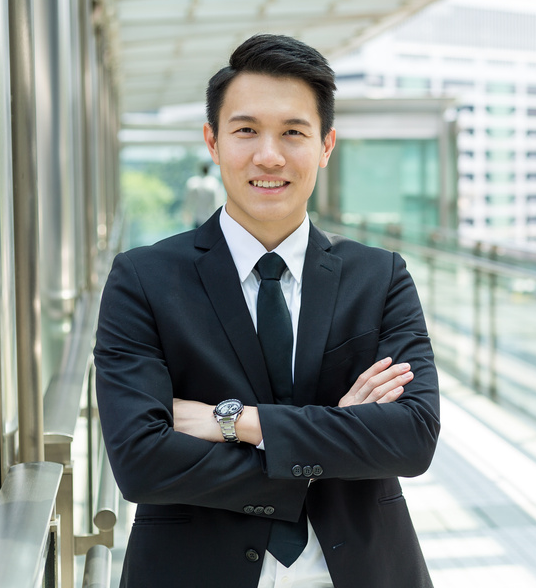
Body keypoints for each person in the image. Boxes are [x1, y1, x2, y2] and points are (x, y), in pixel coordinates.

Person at [94, 34, 440, 588]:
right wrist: (340, 437)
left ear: (326, 146)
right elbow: (141, 462)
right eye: (246, 130)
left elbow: (412, 437)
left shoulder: (380, 277)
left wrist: (229, 421)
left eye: (294, 132)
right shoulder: (143, 279)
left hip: (363, 570)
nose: (269, 155)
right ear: (212, 140)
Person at [182, 163, 225, 228]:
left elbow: (188, 202)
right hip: (210, 218)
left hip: (198, 218)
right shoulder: (214, 184)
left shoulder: (194, 183)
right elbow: (218, 203)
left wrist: (187, 213)